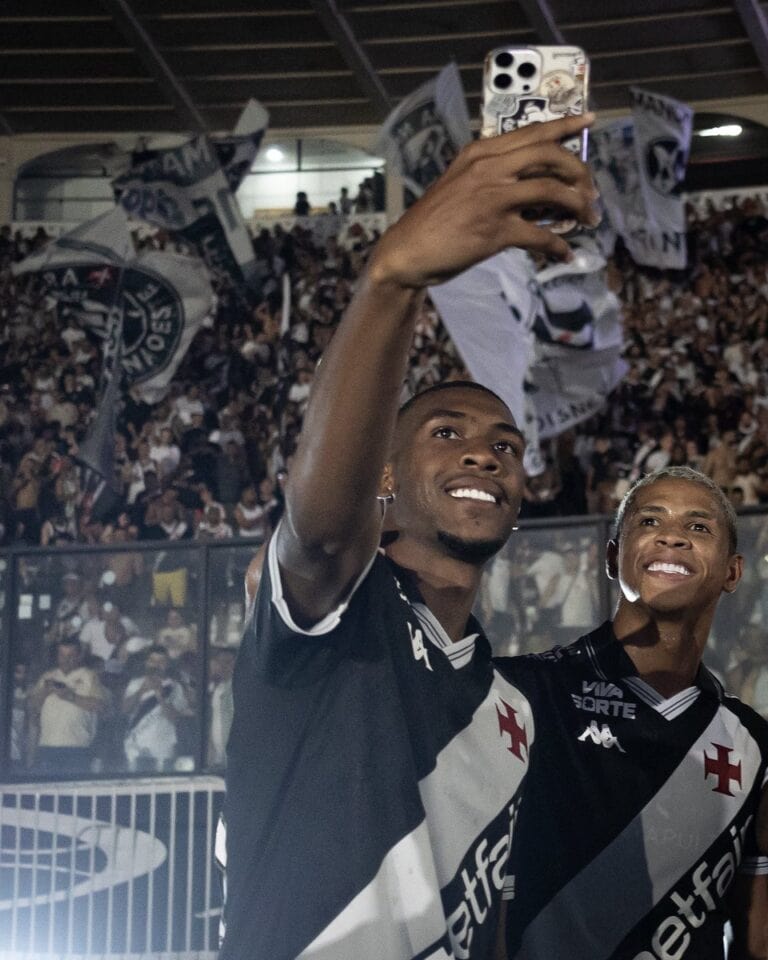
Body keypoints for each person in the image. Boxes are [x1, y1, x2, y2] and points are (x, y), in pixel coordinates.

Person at [220, 113, 599, 960]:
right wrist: (391, 279)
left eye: (506, 446)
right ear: (381, 480)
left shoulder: (512, 712)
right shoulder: (334, 611)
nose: (485, 452)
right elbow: (319, 536)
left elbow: (487, 916)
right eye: (447, 433)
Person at [497, 467, 768, 959]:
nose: (672, 536)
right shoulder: (523, 693)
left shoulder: (753, 745)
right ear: (610, 555)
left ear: (733, 571)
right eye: (649, 522)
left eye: (699, 527)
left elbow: (757, 937)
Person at [28, 638, 109, 774]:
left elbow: (101, 707)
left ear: (79, 656)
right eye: (62, 655)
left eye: (70, 655)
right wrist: (45, 692)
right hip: (48, 746)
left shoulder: (89, 676)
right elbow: (32, 707)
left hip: (77, 747)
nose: (66, 659)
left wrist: (70, 696)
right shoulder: (48, 676)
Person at [122, 644, 192, 772]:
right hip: (135, 748)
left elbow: (175, 719)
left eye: (161, 661)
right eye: (152, 661)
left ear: (167, 664)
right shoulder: (135, 683)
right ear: (147, 663)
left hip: (163, 749)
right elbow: (125, 710)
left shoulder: (176, 687)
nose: (156, 665)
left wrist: (160, 696)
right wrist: (142, 690)